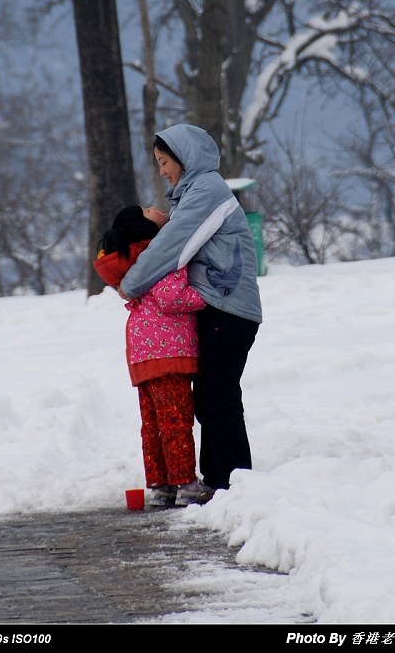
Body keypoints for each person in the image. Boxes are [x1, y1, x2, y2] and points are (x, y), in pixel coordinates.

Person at [118, 125, 263, 505]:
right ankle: (223, 480)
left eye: (165, 162)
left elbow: (172, 247)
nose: (163, 171)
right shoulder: (191, 195)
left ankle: (229, 482)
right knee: (212, 396)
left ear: (184, 157)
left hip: (229, 308)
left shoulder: (206, 192)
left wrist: (130, 283)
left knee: (217, 395)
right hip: (218, 305)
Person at [93, 205, 208, 507]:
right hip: (168, 353)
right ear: (146, 231)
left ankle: (162, 484)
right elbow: (171, 297)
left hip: (143, 355)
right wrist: (206, 296)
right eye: (148, 210)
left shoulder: (132, 264)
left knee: (154, 424)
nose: (155, 207)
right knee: (176, 422)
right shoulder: (160, 258)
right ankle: (185, 483)